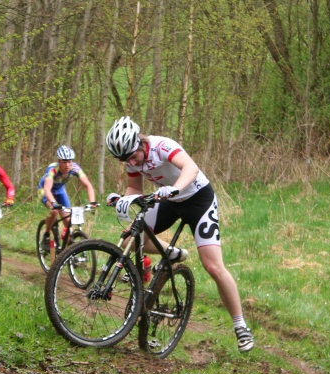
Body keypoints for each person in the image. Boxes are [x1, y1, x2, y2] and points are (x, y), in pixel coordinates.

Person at [105, 116, 254, 352]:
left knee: (213, 267)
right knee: (130, 240)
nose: (131, 162)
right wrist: (122, 199)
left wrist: (174, 188)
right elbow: (134, 188)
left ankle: (240, 325)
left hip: (198, 200)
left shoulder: (162, 146)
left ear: (139, 142)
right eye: (125, 160)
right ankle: (172, 253)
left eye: (133, 156)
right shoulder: (131, 159)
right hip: (170, 201)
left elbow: (191, 168)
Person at [36, 145, 97, 246]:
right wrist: (54, 203)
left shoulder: (75, 168)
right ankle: (46, 235)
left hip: (59, 190)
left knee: (68, 221)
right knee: (55, 211)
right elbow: (47, 189)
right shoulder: (52, 169)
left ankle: (67, 249)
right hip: (44, 190)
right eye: (64, 162)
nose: (67, 165)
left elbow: (88, 185)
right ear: (59, 161)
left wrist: (92, 202)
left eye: (69, 161)